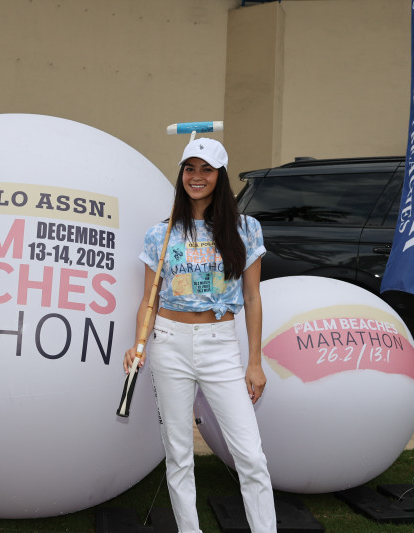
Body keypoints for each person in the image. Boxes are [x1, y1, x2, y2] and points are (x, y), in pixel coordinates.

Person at [123, 138, 276, 532]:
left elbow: (253, 298)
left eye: (206, 169)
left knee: (250, 456)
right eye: (189, 168)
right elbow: (149, 301)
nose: (197, 177)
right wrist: (138, 344)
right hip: (169, 343)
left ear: (220, 176)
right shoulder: (161, 234)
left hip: (220, 345)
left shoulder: (246, 229)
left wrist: (255, 362)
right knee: (178, 455)